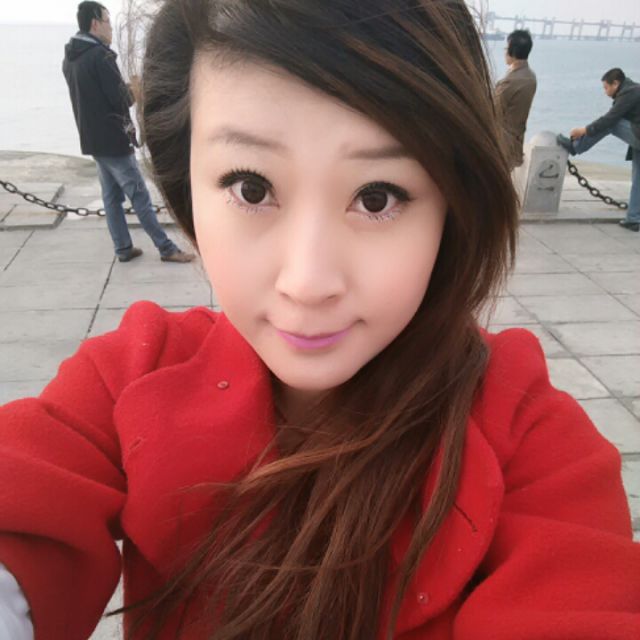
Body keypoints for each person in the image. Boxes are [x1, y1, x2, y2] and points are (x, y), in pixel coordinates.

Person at [2, 1, 640, 639]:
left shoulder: (528, 442)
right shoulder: (130, 379)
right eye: (252, 188)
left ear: (454, 202)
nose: (307, 283)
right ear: (185, 183)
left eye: (376, 197)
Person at [62, 1, 195, 262]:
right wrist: (135, 88)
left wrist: (123, 88)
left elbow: (95, 97)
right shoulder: (101, 56)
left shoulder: (71, 58)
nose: (111, 28)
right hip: (114, 140)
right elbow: (120, 100)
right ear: (95, 24)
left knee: (111, 197)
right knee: (139, 195)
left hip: (92, 139)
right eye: (108, 22)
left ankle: (123, 248)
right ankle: (167, 248)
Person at [557, 67, 640, 232]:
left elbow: (610, 119)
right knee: (638, 178)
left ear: (615, 83)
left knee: (611, 123)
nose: (605, 91)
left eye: (606, 87)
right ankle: (634, 219)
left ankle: (576, 147)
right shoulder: (631, 90)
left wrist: (583, 130)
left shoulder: (630, 92)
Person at [494, 29, 537, 169]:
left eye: (506, 48)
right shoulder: (530, 76)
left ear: (513, 51)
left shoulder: (511, 81)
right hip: (516, 140)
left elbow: (493, 111)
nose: (505, 52)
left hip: (502, 143)